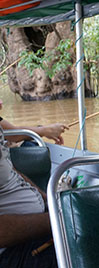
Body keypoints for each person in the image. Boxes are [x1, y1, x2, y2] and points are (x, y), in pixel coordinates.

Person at [0, 101, 67, 268]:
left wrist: (48, 200)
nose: (1, 103)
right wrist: (61, 219)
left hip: (36, 227)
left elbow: (9, 170)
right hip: (11, 251)